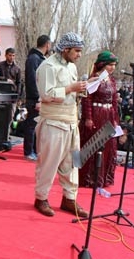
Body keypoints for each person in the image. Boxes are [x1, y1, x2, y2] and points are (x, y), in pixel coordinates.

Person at [34, 32, 89, 218]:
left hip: (72, 124)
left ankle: (70, 199)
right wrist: (71, 88)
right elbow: (46, 93)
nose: (79, 55)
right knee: (49, 163)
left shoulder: (72, 67)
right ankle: (41, 198)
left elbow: (71, 93)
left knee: (73, 163)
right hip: (54, 124)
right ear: (66, 49)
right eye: (77, 51)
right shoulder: (48, 66)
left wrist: (80, 91)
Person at [79, 51, 119, 189]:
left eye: (114, 65)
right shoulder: (94, 79)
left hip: (108, 115)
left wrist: (115, 119)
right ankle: (88, 178)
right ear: (103, 64)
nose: (112, 67)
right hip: (96, 114)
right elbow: (87, 99)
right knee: (93, 144)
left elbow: (114, 102)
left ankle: (102, 179)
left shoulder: (112, 80)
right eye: (110, 65)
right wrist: (88, 118)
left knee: (108, 146)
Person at [23, 35, 51, 161]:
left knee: (37, 126)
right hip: (35, 98)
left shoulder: (41, 58)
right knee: (31, 125)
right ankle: (28, 151)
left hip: (41, 97)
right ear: (47, 44)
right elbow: (32, 80)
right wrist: (38, 98)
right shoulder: (33, 58)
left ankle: (35, 150)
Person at [0, 47, 22, 139]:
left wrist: (18, 97)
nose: (11, 57)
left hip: (12, 95)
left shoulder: (17, 69)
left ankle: (6, 135)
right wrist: (6, 79)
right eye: (10, 55)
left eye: (13, 56)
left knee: (10, 116)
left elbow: (19, 83)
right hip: (1, 94)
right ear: (6, 55)